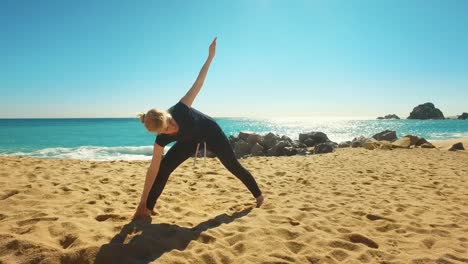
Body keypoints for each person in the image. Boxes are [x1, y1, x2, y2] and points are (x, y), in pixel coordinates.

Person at [133, 37, 264, 219]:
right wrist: (141, 202)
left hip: (211, 133)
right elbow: (152, 171)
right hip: (189, 141)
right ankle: (147, 209)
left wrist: (210, 57)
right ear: (160, 132)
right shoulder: (161, 140)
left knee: (233, 166)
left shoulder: (180, 109)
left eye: (170, 121)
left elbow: (199, 82)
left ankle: (259, 196)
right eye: (166, 129)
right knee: (163, 169)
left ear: (167, 115)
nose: (171, 127)